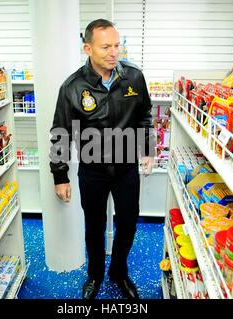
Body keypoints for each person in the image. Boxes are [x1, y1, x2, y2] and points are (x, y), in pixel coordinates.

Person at [49, 19, 155, 299]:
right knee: (94, 226)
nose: (113, 52)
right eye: (106, 46)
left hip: (126, 167)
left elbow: (145, 115)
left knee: (128, 222)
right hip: (92, 168)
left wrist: (147, 149)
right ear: (87, 48)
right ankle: (95, 275)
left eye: (117, 46)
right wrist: (60, 176)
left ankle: (118, 272)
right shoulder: (72, 87)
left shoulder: (133, 76)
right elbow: (60, 131)